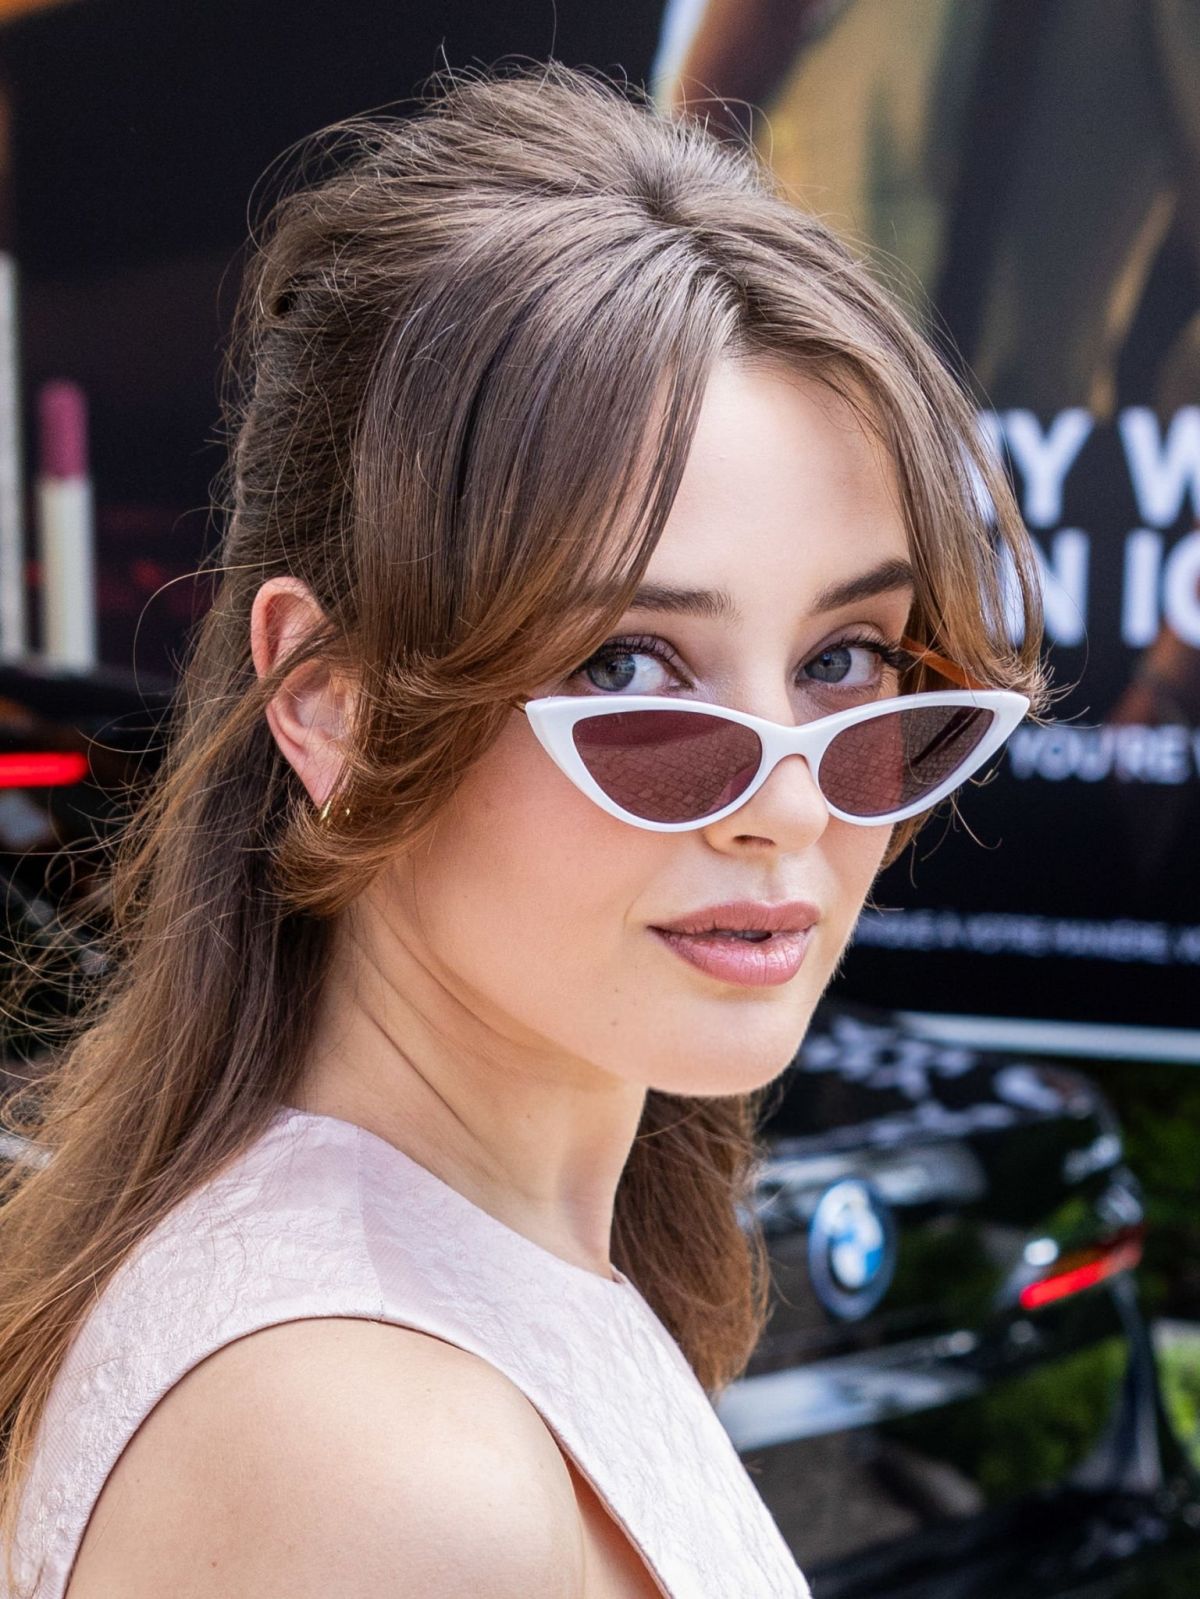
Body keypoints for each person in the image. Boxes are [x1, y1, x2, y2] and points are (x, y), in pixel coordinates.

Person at [0, 62, 1045, 1599]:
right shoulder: (377, 1465)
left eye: (847, 661)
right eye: (626, 668)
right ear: (334, 706)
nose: (790, 800)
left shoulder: (459, 1287)